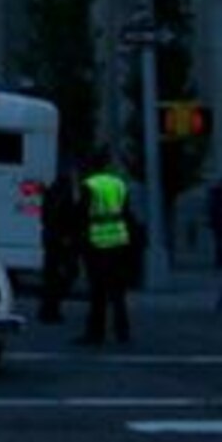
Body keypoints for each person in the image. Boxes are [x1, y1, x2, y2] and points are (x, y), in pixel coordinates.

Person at [74, 146, 134, 346]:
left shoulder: (89, 185)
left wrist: (78, 240)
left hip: (97, 243)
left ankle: (95, 332)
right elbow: (126, 212)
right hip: (118, 241)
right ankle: (122, 331)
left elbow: (81, 215)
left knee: (98, 292)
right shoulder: (119, 184)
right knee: (118, 292)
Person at [37, 164, 81, 323]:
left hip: (51, 238)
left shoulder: (51, 192)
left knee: (51, 275)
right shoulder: (67, 194)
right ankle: (51, 309)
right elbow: (69, 217)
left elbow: (44, 216)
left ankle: (48, 309)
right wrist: (68, 236)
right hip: (61, 239)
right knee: (65, 274)